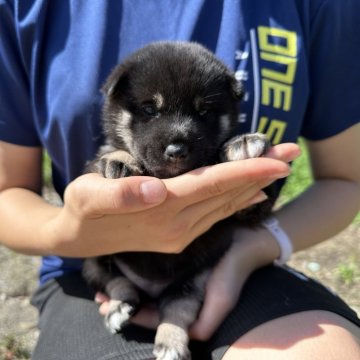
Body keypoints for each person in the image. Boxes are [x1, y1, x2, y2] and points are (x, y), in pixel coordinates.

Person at [0, 0, 359, 359]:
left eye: (203, 114)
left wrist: (253, 247)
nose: (176, 141)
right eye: (149, 111)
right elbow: (7, 192)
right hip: (96, 268)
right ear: (115, 101)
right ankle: (123, 289)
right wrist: (74, 231)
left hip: (224, 260)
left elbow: (347, 179)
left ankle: (176, 315)